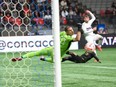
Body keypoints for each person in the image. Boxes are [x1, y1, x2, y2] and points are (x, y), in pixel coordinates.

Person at [12, 26, 81, 62]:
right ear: (67, 31)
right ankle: (44, 59)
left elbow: (54, 36)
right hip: (56, 53)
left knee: (36, 53)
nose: (72, 31)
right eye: (70, 30)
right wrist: (79, 30)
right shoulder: (68, 38)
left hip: (51, 49)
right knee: (58, 61)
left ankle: (22, 57)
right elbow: (78, 39)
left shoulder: (63, 33)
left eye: (72, 29)